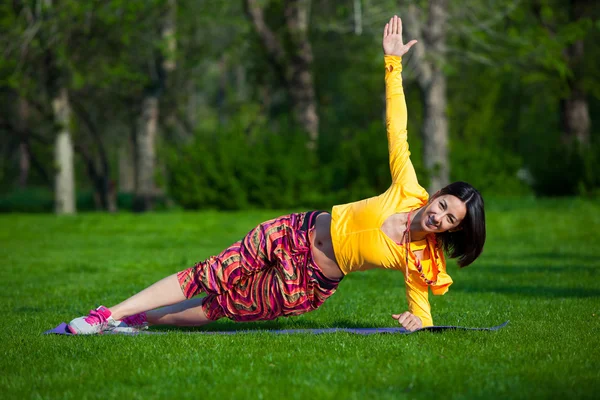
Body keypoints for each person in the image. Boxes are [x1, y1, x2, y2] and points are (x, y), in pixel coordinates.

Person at [68, 15, 485, 335]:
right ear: (439, 194)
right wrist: (392, 63)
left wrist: (418, 322)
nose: (440, 218)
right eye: (445, 206)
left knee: (221, 306)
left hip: (305, 283)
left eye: (450, 221)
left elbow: (421, 311)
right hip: (293, 232)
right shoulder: (408, 188)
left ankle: (143, 320)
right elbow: (398, 129)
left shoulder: (421, 258)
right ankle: (109, 313)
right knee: (211, 273)